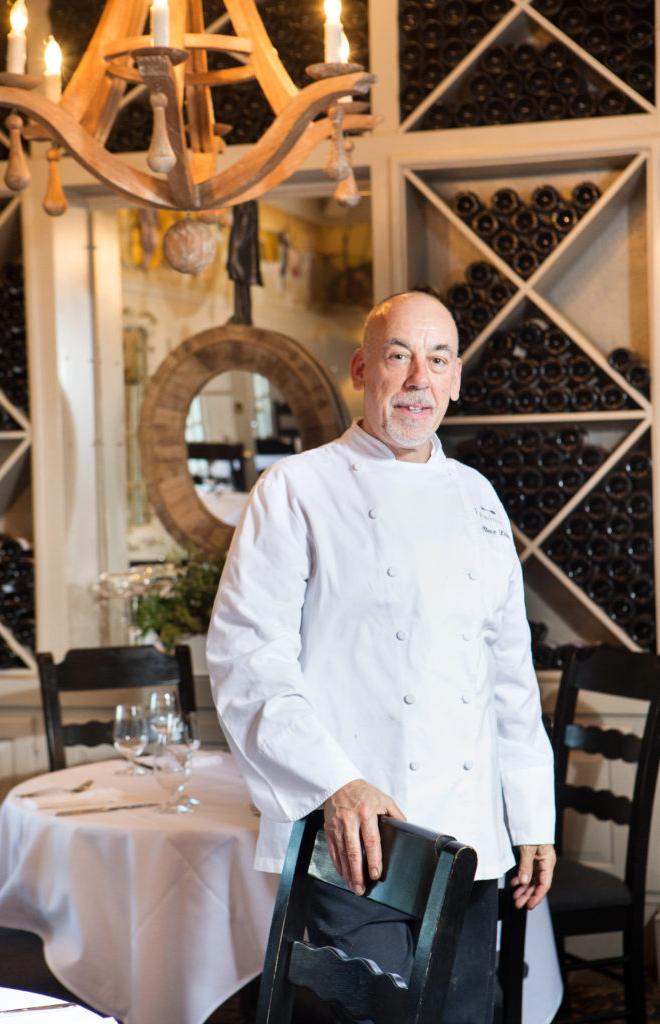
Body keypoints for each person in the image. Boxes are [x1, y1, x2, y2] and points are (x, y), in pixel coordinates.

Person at [206, 290, 556, 1023]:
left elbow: (507, 676)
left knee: (464, 1016)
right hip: (357, 841)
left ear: (456, 379)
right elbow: (248, 662)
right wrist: (338, 784)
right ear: (363, 369)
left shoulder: (478, 499)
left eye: (435, 360)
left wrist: (530, 816)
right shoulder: (295, 489)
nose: (416, 379)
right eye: (397, 357)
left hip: (468, 842)